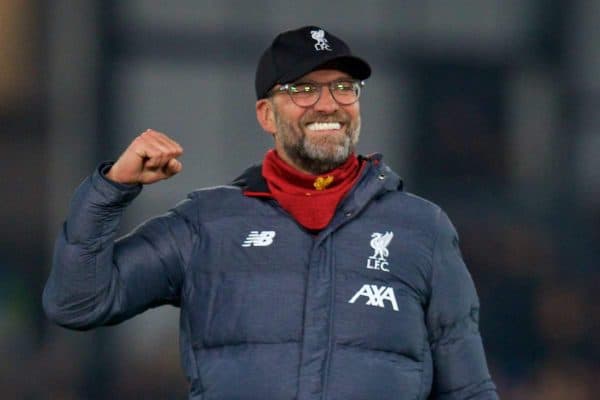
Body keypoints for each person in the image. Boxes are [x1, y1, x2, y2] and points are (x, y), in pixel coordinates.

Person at [43, 26, 499, 399]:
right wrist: (111, 190)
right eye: (304, 89)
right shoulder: (208, 223)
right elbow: (78, 302)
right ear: (266, 114)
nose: (328, 104)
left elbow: (468, 388)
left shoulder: (421, 227)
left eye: (344, 87)